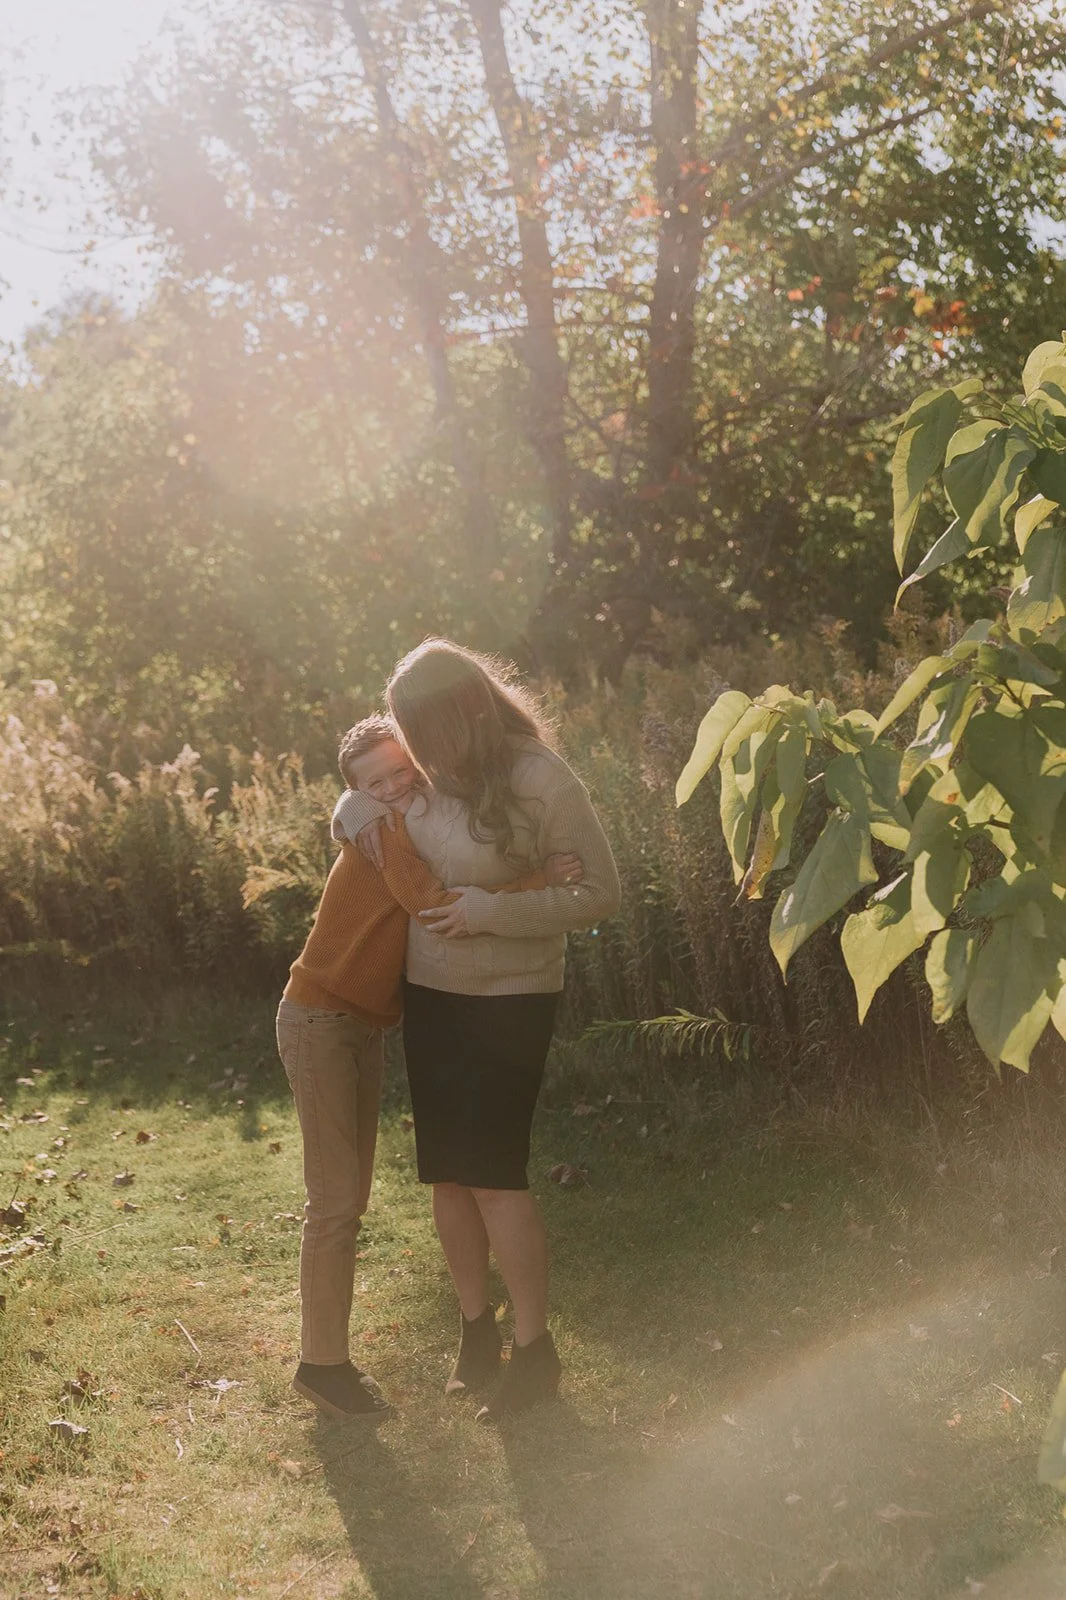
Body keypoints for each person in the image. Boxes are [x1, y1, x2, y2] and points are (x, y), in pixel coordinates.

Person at [333, 641, 621, 1421]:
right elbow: (368, 792)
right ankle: (475, 1329)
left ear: (457, 715)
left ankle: (536, 1349)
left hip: (513, 996)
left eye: (419, 732)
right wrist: (353, 808)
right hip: (433, 993)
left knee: (495, 1176)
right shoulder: (423, 777)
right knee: (448, 1175)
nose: (413, 755)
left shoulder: (541, 779)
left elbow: (600, 892)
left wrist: (494, 910)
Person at [276, 714, 581, 1422]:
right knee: (336, 1203)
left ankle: (336, 1361)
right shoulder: (382, 832)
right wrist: (539, 880)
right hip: (320, 1019)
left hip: (357, 1026)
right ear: (357, 790)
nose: (391, 785)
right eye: (373, 782)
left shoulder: (406, 823)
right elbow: (432, 905)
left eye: (398, 770)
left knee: (346, 1201)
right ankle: (322, 1366)